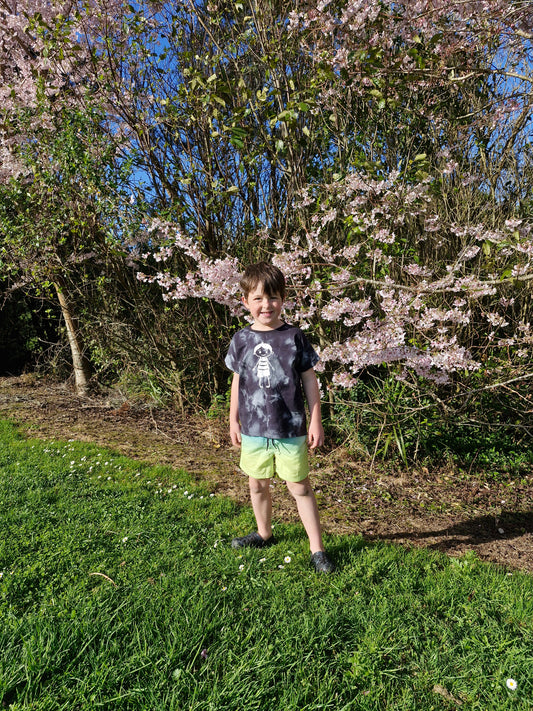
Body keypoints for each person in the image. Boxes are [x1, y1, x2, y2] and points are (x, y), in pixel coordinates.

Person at [225, 261, 334, 573]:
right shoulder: (241, 340)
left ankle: (317, 550)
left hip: (290, 428)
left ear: (283, 299)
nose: (266, 305)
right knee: (257, 484)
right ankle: (263, 533)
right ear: (245, 301)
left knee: (299, 486)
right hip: (254, 428)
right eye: (258, 298)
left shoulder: (294, 337)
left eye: (272, 298)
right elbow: (237, 380)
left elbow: (310, 379)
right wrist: (233, 419)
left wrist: (316, 419)